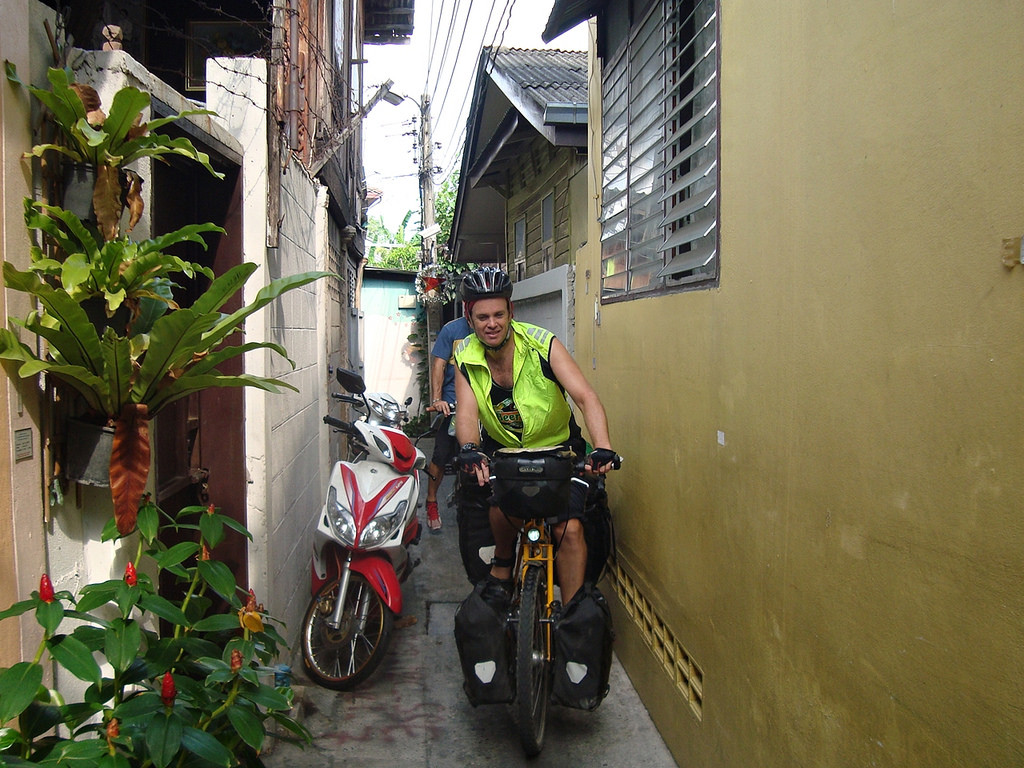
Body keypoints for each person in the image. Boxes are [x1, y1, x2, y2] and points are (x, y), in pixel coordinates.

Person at [453, 267, 618, 606]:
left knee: (568, 530)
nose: (492, 323)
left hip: (559, 452)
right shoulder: (464, 355)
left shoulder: (543, 344)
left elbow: (586, 398)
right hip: (506, 454)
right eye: (482, 316)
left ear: (511, 312)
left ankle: (571, 613)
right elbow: (467, 413)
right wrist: (469, 448)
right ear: (469, 318)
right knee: (500, 508)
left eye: (499, 314)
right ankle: (503, 562)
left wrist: (602, 447)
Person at [423, 314, 472, 532]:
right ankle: (432, 500)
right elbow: (439, 365)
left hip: (482, 408)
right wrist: (437, 399)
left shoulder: (492, 330)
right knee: (441, 455)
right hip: (452, 406)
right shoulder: (451, 330)